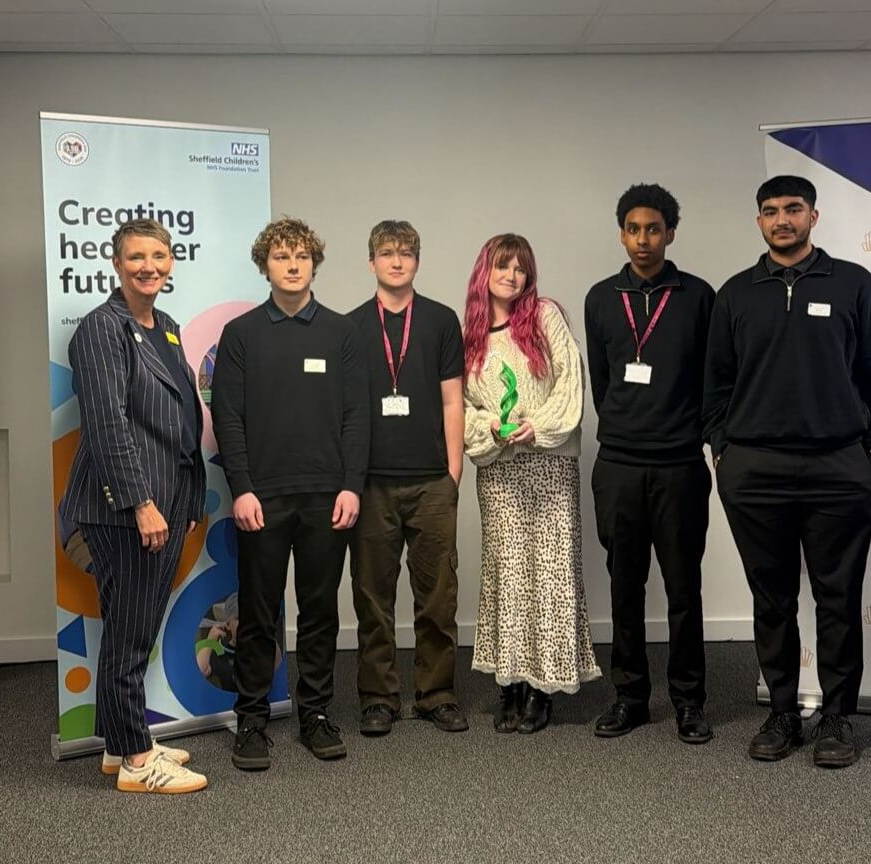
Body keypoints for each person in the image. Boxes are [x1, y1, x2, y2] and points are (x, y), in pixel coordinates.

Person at [704, 175, 871, 768]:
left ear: (814, 215)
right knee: (772, 597)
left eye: (793, 209)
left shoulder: (854, 284)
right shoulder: (735, 293)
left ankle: (837, 715)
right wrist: (723, 451)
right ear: (758, 221)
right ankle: (783, 709)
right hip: (754, 468)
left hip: (838, 465)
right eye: (769, 211)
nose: (781, 219)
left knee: (837, 597)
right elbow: (715, 383)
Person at [211, 218, 369, 770]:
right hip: (264, 499)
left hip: (328, 498)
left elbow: (356, 418)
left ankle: (316, 715)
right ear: (266, 266)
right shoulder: (242, 334)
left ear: (315, 263)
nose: (293, 264)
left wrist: (352, 484)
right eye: (282, 257)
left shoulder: (342, 333)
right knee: (257, 614)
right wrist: (243, 489)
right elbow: (226, 417)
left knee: (321, 611)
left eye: (302, 256)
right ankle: (251, 720)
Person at [60, 218, 208, 794]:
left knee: (133, 627)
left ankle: (122, 741)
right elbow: (105, 423)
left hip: (167, 500)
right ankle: (137, 766)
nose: (149, 265)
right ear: (117, 265)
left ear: (170, 262)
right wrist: (141, 502)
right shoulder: (102, 328)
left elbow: (181, 418)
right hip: (125, 509)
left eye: (159, 255)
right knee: (129, 633)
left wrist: (186, 496)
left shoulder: (164, 327)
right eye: (137, 257)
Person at [583, 183, 715, 743]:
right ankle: (630, 696)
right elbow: (602, 379)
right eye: (633, 229)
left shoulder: (697, 296)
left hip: (680, 464)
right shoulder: (600, 297)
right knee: (624, 585)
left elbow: (710, 377)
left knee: (684, 587)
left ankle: (688, 701)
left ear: (670, 233)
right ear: (621, 233)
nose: (643, 239)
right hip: (618, 464)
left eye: (654, 229)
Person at [463, 233, 600, 733]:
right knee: (508, 571)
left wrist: (536, 427)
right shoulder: (471, 337)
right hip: (500, 468)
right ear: (486, 271)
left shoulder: (545, 317)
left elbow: (570, 381)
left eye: (521, 268)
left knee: (551, 571)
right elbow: (465, 408)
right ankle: (510, 683)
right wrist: (492, 432)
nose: (512, 276)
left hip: (546, 462)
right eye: (504, 266)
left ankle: (544, 687)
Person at [347, 220, 468, 736]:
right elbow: (342, 409)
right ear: (371, 261)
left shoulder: (441, 321)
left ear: (418, 261)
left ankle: (436, 693)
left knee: (437, 597)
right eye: (387, 253)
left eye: (406, 253)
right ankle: (379, 698)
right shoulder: (349, 327)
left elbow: (451, 399)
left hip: (430, 481)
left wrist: (453, 472)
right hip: (371, 482)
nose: (397, 261)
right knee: (372, 598)